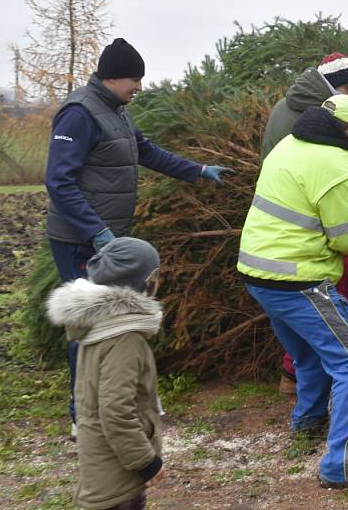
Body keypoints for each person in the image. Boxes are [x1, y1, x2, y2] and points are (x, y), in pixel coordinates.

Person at [44, 38, 232, 436]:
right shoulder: (80, 113)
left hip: (110, 237)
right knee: (87, 323)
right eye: (134, 79)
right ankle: (84, 415)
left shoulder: (115, 110)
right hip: (81, 239)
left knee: (116, 318)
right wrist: (96, 233)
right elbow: (58, 181)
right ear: (112, 77)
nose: (139, 87)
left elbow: (146, 152)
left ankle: (121, 396)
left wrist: (197, 171)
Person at [238, 94, 348, 494]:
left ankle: (307, 423)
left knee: (309, 351)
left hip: (256, 273)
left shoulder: (288, 146)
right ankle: (345, 467)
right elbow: (347, 239)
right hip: (298, 279)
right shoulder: (337, 165)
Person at [259, 52, 348, 394]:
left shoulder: (284, 106)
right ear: (331, 87)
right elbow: (324, 183)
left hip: (274, 226)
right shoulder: (318, 116)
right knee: (341, 301)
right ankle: (337, 388)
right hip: (308, 229)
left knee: (296, 317)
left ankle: (294, 382)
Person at [46, 237, 165, 510]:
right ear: (145, 282)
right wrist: (146, 462)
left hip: (109, 457)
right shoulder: (123, 338)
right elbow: (115, 411)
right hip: (118, 464)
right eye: (157, 275)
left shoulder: (101, 325)